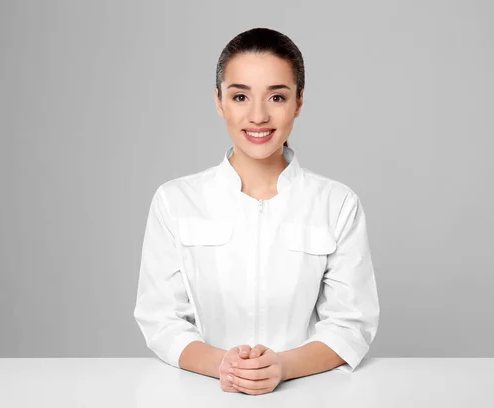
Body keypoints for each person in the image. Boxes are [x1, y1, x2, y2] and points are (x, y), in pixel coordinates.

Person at [134, 27, 380, 396]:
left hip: (310, 393)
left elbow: (351, 324)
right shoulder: (176, 201)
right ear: (219, 102)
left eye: (277, 97)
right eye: (240, 96)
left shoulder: (337, 203)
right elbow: (160, 320)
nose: (258, 116)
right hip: (202, 394)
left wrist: (282, 367)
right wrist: (223, 366)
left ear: (298, 102)